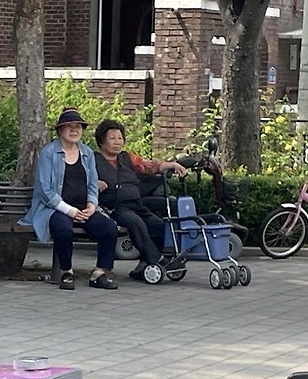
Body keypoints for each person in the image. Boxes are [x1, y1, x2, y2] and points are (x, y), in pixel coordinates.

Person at [19, 108, 119, 290]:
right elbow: (44, 190)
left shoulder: (87, 153)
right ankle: (66, 272)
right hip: (54, 209)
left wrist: (91, 205)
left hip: (83, 209)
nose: (74, 130)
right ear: (60, 130)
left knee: (109, 228)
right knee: (64, 229)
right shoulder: (49, 153)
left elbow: (92, 184)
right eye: (69, 126)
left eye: (78, 127)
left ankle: (99, 273)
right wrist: (70, 210)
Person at [93, 118, 188, 280]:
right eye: (112, 138)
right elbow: (82, 178)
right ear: (101, 141)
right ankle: (157, 259)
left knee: (159, 225)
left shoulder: (127, 158)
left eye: (120, 138)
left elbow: (150, 166)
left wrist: (172, 165)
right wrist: (95, 182)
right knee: (135, 222)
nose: (117, 142)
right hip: (114, 207)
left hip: (136, 205)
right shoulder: (93, 160)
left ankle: (144, 265)